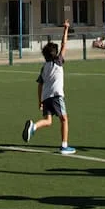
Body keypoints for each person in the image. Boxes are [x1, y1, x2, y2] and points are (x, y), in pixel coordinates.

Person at [23, 21, 75, 155]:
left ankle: (33, 127)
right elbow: (64, 44)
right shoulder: (58, 62)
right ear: (55, 54)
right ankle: (64, 146)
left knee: (48, 120)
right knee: (64, 119)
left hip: (46, 97)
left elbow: (40, 84)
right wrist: (66, 29)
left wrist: (39, 101)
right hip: (57, 96)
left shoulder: (44, 67)